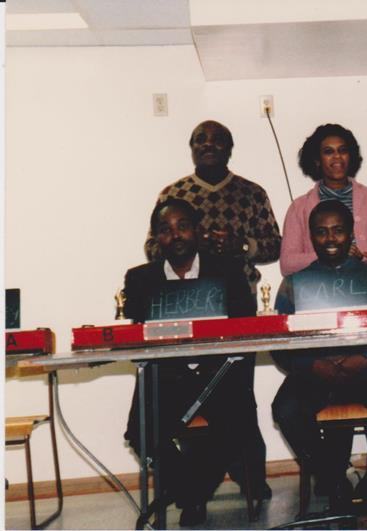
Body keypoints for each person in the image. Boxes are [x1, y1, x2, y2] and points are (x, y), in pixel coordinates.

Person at [124, 199, 267, 526]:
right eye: (165, 229)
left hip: (219, 374)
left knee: (234, 423)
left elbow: (245, 329)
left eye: (183, 226)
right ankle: (192, 492)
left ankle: (191, 494)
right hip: (167, 378)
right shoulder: (140, 279)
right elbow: (136, 340)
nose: (175, 235)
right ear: (155, 238)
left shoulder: (227, 270)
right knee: (140, 431)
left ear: (198, 231)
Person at [271, 200, 367, 508]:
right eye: (321, 232)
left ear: (351, 234)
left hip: (366, 368)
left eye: (338, 230)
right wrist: (311, 364)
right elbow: (279, 343)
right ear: (311, 236)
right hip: (315, 372)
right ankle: (333, 479)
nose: (330, 238)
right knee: (286, 408)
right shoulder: (293, 283)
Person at [145, 120, 282, 294]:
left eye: (217, 140)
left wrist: (243, 245)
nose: (208, 144)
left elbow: (275, 247)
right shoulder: (172, 194)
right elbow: (151, 248)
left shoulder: (252, 193)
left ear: (229, 149)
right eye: (201, 139)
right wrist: (189, 245)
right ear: (192, 148)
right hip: (184, 292)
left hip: (241, 292)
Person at [279, 123, 367, 277]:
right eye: (328, 151)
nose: (337, 157)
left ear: (351, 156)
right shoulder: (299, 208)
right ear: (317, 160)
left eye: (343, 150)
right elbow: (287, 264)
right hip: (318, 287)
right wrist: (333, 253)